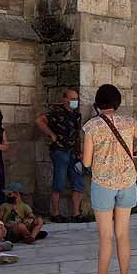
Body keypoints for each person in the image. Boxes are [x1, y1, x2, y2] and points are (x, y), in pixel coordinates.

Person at [78, 84, 137, 274]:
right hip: (127, 182)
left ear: (98, 102)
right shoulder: (129, 123)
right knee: (123, 234)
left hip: (103, 184)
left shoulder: (91, 126)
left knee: (106, 237)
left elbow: (86, 161)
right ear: (117, 102)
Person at [36, 89, 84, 223]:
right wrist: (51, 134)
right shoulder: (56, 113)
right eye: (72, 99)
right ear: (64, 99)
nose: (74, 101)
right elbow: (40, 121)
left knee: (78, 181)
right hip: (60, 151)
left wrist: (79, 151)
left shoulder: (77, 115)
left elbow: (77, 134)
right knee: (59, 182)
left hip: (73, 152)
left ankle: (76, 213)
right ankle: (55, 213)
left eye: (76, 99)